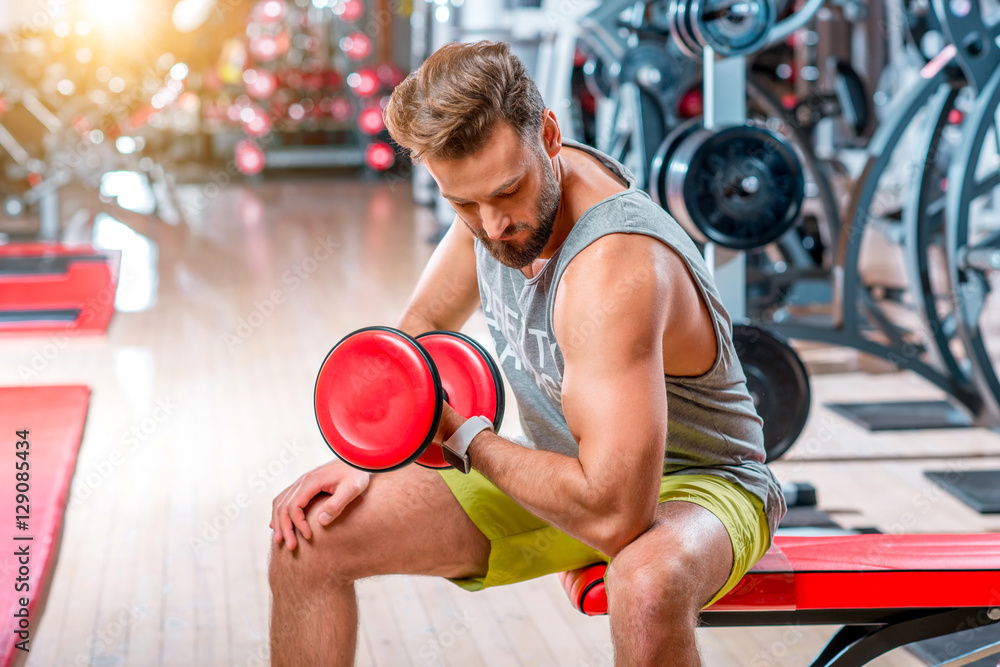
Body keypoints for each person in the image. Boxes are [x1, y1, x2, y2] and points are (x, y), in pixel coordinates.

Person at [269, 40, 785, 666]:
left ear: (548, 134)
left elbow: (619, 515)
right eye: (463, 203)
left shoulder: (613, 267)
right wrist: (374, 457)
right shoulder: (491, 204)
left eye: (507, 191)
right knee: (310, 539)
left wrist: (466, 439)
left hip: (697, 487)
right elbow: (426, 322)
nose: (491, 226)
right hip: (567, 469)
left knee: (647, 584)